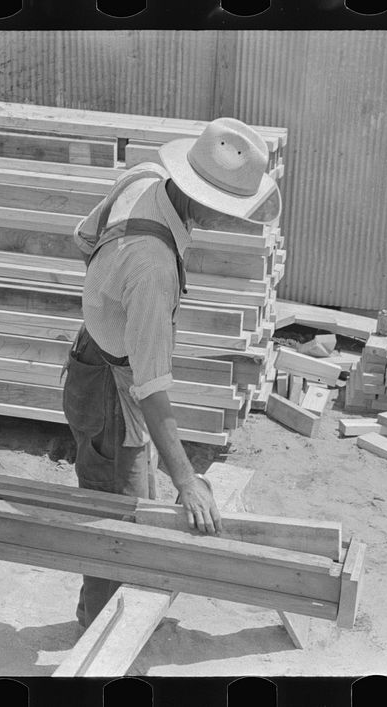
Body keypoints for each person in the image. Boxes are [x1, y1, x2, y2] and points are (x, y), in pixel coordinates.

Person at [62, 117, 282, 627]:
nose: (229, 220)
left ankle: (106, 612)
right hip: (109, 389)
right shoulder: (154, 268)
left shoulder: (142, 178)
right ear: (201, 194)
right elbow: (151, 387)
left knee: (126, 499)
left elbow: (84, 238)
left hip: (90, 356)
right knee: (122, 518)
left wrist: (110, 305)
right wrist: (187, 479)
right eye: (228, 209)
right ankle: (103, 634)